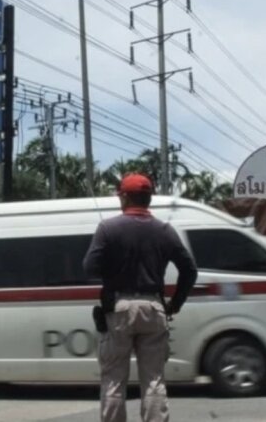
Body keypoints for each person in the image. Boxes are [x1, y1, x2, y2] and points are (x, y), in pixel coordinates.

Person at [83, 173, 197, 422]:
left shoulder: (107, 228)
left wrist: (113, 272)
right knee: (154, 380)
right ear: (148, 199)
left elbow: (89, 268)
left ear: (124, 197)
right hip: (154, 308)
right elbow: (189, 270)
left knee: (114, 379)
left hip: (119, 309)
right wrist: (174, 304)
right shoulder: (165, 231)